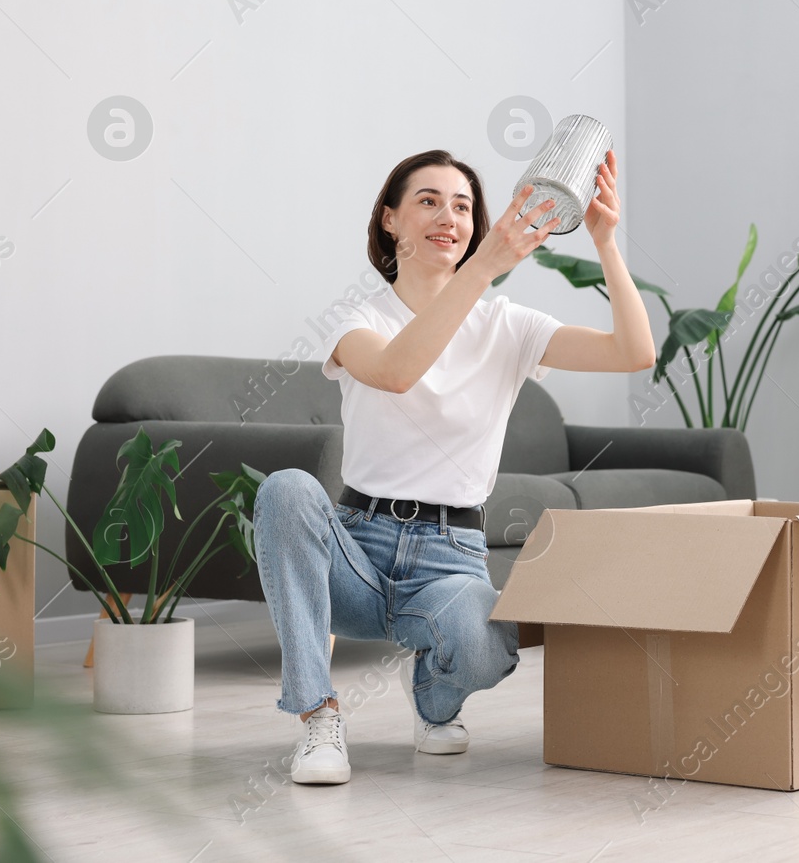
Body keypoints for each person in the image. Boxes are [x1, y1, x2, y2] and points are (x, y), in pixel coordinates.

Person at [252, 148, 654, 784]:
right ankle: (319, 714)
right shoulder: (356, 317)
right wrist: (488, 264)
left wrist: (606, 241)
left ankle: (434, 701)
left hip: (451, 555)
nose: (449, 217)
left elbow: (635, 352)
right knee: (286, 491)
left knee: (485, 647)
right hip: (357, 547)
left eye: (463, 206)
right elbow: (396, 371)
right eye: (428, 201)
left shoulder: (508, 325)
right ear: (390, 221)